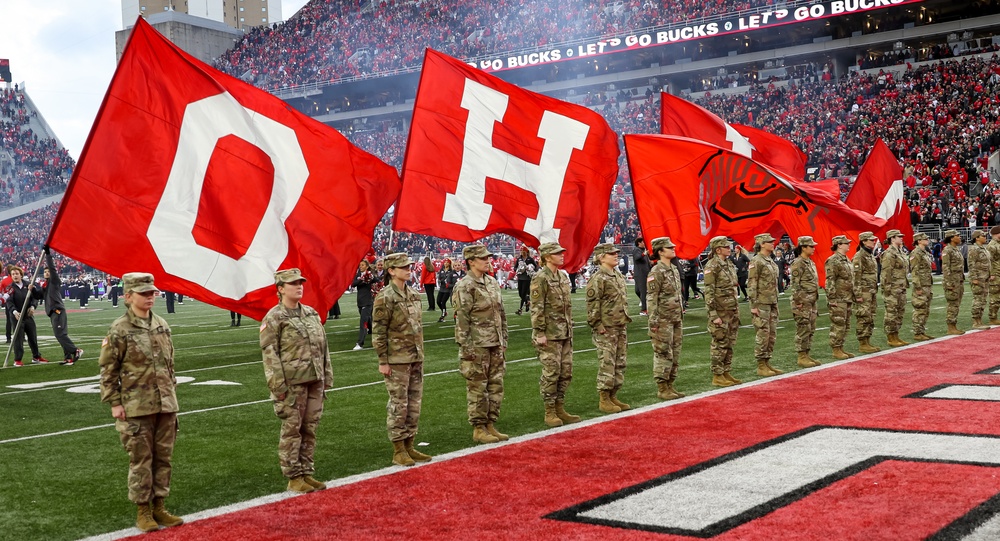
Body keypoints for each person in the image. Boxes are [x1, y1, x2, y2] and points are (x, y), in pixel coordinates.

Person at [98, 272, 183, 532]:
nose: (150, 296)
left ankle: (159, 506)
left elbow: (170, 364)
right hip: (135, 405)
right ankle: (143, 511)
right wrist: (114, 402)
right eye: (144, 293)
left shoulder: (161, 324)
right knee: (141, 459)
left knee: (164, 458)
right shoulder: (120, 329)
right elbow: (108, 370)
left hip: (166, 403)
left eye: (152, 292)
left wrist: (172, 390)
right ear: (128, 296)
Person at [259, 268, 332, 494]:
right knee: (292, 429)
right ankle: (293, 476)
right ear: (280, 289)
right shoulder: (274, 318)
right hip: (292, 384)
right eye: (293, 284)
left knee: (310, 427)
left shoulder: (310, 313)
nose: (299, 286)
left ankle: (306, 472)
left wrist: (327, 374)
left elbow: (323, 346)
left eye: (300, 283)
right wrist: (278, 387)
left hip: (314, 379)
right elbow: (270, 354)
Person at [372, 252, 431, 467]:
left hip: (415, 356)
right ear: (391, 271)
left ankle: (409, 445)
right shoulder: (385, 297)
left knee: (414, 403)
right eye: (403, 267)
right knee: (399, 404)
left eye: (409, 266)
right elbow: (378, 331)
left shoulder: (414, 294)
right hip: (396, 359)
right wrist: (383, 360)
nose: (408, 269)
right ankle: (398, 449)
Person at [454, 244, 509, 444]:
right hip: (477, 345)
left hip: (495, 343)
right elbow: (462, 320)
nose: (488, 260)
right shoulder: (465, 286)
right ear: (471, 261)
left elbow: (501, 314)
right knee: (478, 387)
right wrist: (467, 348)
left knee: (496, 385)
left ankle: (490, 424)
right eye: (483, 258)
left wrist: (504, 340)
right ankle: (478, 427)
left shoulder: (492, 282)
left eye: (488, 258)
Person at [530, 242, 580, 427]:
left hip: (565, 332)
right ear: (547, 257)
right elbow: (537, 307)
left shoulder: (562, 276)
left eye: (562, 252)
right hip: (549, 334)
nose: (562, 255)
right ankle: (549, 410)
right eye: (557, 253)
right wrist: (539, 332)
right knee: (551, 372)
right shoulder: (540, 278)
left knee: (566, 372)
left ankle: (560, 406)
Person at [587, 243, 633, 413]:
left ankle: (613, 394)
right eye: (611, 253)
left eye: (616, 253)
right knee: (607, 362)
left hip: (620, 325)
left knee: (619, 362)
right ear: (601, 257)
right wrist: (597, 324)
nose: (616, 255)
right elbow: (592, 304)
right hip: (606, 327)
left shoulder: (617, 275)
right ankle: (604, 397)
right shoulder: (598, 278)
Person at [646, 237, 684, 400]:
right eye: (669, 248)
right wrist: (653, 321)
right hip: (663, 319)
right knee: (663, 352)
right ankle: (662, 387)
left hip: (675, 317)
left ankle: (670, 384)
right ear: (660, 251)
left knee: (675, 352)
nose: (673, 249)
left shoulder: (673, 269)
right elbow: (652, 298)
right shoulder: (656, 271)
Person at [34, 247, 83, 365]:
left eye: (48, 272)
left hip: (57, 310)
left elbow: (53, 269)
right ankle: (68, 358)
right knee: (61, 334)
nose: (46, 273)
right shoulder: (45, 286)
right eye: (45, 272)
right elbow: (39, 296)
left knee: (59, 334)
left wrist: (48, 255)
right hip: (52, 312)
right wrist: (32, 290)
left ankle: (76, 350)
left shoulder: (54, 281)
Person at [704, 236, 741, 387]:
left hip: (731, 309)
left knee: (730, 342)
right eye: (726, 247)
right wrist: (713, 314)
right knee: (719, 342)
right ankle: (717, 374)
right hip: (720, 310)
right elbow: (709, 291)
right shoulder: (712, 265)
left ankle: (726, 371)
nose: (729, 249)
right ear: (718, 249)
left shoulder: (728, 264)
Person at [747, 233, 783, 377]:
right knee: (763, 333)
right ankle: (761, 365)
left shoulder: (770, 260)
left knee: (771, 334)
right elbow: (752, 284)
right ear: (761, 244)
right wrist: (753, 304)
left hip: (772, 301)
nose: (772, 243)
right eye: (769, 242)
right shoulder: (757, 261)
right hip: (761, 303)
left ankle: (767, 362)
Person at [6, 265, 46, 367]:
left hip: (28, 315)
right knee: (18, 338)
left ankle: (36, 356)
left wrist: (33, 307)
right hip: (17, 316)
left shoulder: (29, 285)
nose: (15, 276)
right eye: (13, 274)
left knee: (32, 336)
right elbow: (9, 302)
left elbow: (35, 297)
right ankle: (18, 359)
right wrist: (14, 312)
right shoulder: (10, 288)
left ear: (21, 275)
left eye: (17, 274)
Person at [789, 236, 821, 367]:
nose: (813, 248)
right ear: (803, 247)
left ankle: (807, 354)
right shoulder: (798, 263)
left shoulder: (810, 262)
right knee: (803, 328)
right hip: (802, 302)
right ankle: (801, 356)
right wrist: (798, 301)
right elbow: (795, 284)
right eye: (811, 246)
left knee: (810, 328)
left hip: (811, 301)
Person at [826, 235, 856, 360]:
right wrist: (832, 298)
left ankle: (841, 347)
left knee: (845, 324)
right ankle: (836, 349)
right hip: (839, 298)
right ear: (839, 245)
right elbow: (830, 280)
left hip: (847, 297)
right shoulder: (833, 260)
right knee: (838, 324)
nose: (849, 244)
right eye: (846, 243)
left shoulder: (846, 259)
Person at [852, 232, 881, 353]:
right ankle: (863, 343)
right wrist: (858, 294)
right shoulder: (860, 256)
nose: (873, 242)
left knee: (870, 316)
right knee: (863, 316)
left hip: (871, 290)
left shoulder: (869, 255)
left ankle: (867, 340)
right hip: (863, 291)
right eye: (870, 240)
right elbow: (856, 277)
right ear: (863, 241)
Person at [881, 229, 911, 346]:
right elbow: (886, 272)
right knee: (891, 313)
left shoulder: (900, 252)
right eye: (899, 236)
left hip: (901, 286)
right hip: (892, 287)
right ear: (892, 238)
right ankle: (890, 337)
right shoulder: (889, 253)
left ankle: (896, 335)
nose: (901, 238)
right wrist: (887, 288)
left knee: (899, 312)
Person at [910, 232, 935, 341]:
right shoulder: (916, 253)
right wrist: (918, 287)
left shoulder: (925, 252)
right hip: (921, 285)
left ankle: (922, 331)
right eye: (924, 239)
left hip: (927, 284)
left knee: (926, 309)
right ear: (918, 241)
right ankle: (917, 332)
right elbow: (914, 271)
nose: (927, 240)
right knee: (920, 309)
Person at [941, 229, 966, 335]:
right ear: (951, 238)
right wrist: (949, 283)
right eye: (957, 236)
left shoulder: (955, 249)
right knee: (953, 304)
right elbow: (946, 267)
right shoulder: (948, 250)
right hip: (952, 282)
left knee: (956, 304)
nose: (959, 237)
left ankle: (954, 325)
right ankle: (951, 327)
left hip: (958, 280)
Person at [967, 230, 992, 330]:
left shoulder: (983, 249)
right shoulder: (974, 249)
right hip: (978, 278)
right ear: (977, 238)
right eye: (982, 236)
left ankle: (979, 320)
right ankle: (975, 321)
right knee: (978, 299)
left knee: (983, 300)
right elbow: (971, 264)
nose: (985, 237)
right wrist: (974, 278)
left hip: (985, 278)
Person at [352, 259, 377, 350]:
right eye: (360, 265)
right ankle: (372, 330)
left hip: (367, 302)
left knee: (363, 322)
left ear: (367, 266)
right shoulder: (358, 275)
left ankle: (360, 343)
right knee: (368, 318)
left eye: (362, 265)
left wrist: (375, 289)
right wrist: (361, 279)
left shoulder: (370, 275)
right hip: (360, 301)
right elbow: (353, 284)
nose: (360, 266)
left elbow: (378, 282)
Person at [514, 246, 537, 315]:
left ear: (526, 252)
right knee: (520, 292)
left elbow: (536, 267)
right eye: (521, 251)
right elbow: (515, 267)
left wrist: (530, 270)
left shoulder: (530, 259)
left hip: (527, 278)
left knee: (524, 292)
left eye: (523, 251)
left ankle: (520, 309)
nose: (521, 253)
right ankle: (527, 301)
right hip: (520, 277)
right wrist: (517, 270)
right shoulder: (519, 259)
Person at [633, 237, 651, 316]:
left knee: (641, 291)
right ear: (639, 243)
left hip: (644, 274)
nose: (645, 243)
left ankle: (644, 306)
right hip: (640, 274)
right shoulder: (637, 250)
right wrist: (644, 254)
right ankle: (645, 306)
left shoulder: (643, 252)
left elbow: (647, 263)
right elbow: (637, 257)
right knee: (640, 291)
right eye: (643, 242)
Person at [436, 258, 458, 323]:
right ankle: (444, 311)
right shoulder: (441, 270)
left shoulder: (451, 271)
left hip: (447, 289)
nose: (446, 263)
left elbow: (449, 279)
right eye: (445, 262)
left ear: (449, 263)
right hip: (442, 288)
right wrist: (440, 281)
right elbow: (439, 278)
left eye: (447, 262)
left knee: (443, 302)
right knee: (438, 301)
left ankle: (442, 316)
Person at [988, 225, 1000, 325]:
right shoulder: (992, 246)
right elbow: (989, 261)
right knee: (995, 296)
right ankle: (993, 317)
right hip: (996, 274)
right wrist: (991, 274)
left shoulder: (998, 244)